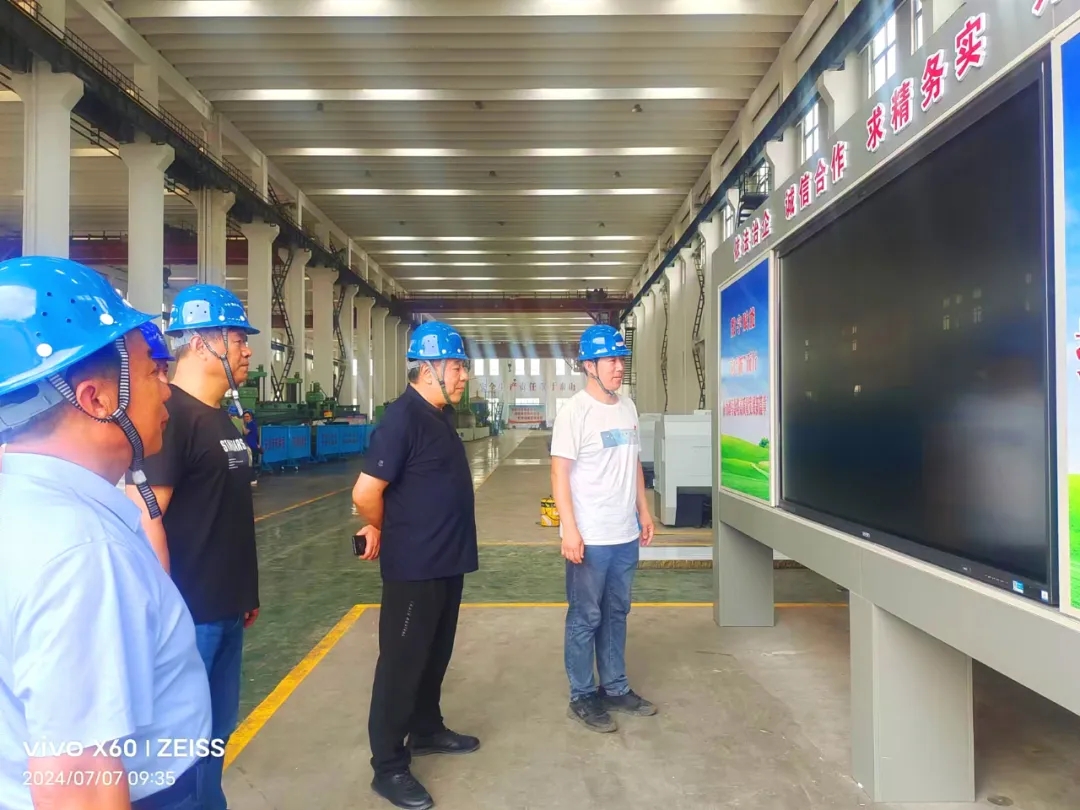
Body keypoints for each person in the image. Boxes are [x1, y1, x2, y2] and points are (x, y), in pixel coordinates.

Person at [0, 256, 214, 810]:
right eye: (151, 373)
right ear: (96, 398)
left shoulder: (22, 503)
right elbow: (81, 781)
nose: (167, 391)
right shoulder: (80, 554)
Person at [127, 284, 261, 810]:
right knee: (183, 742)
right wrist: (162, 612)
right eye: (237, 338)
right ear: (202, 343)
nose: (247, 350)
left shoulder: (219, 416)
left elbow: (224, 510)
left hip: (225, 605)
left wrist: (243, 591)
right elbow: (147, 517)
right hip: (188, 614)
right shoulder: (172, 416)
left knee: (215, 733)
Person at [352, 320, 480, 810]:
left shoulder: (438, 415)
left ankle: (426, 728)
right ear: (428, 370)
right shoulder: (402, 419)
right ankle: (388, 766)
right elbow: (366, 492)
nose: (463, 375)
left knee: (435, 653)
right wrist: (384, 526)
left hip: (446, 561)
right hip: (415, 565)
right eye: (456, 366)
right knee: (402, 664)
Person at [549, 323, 657, 733]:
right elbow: (559, 474)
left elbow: (633, 465)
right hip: (590, 537)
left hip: (624, 534)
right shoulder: (574, 413)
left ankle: (615, 687)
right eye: (611, 360)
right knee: (585, 616)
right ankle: (582, 695)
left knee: (616, 612)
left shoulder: (627, 407)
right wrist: (570, 530)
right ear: (589, 366)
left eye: (620, 359)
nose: (619, 367)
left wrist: (644, 512)